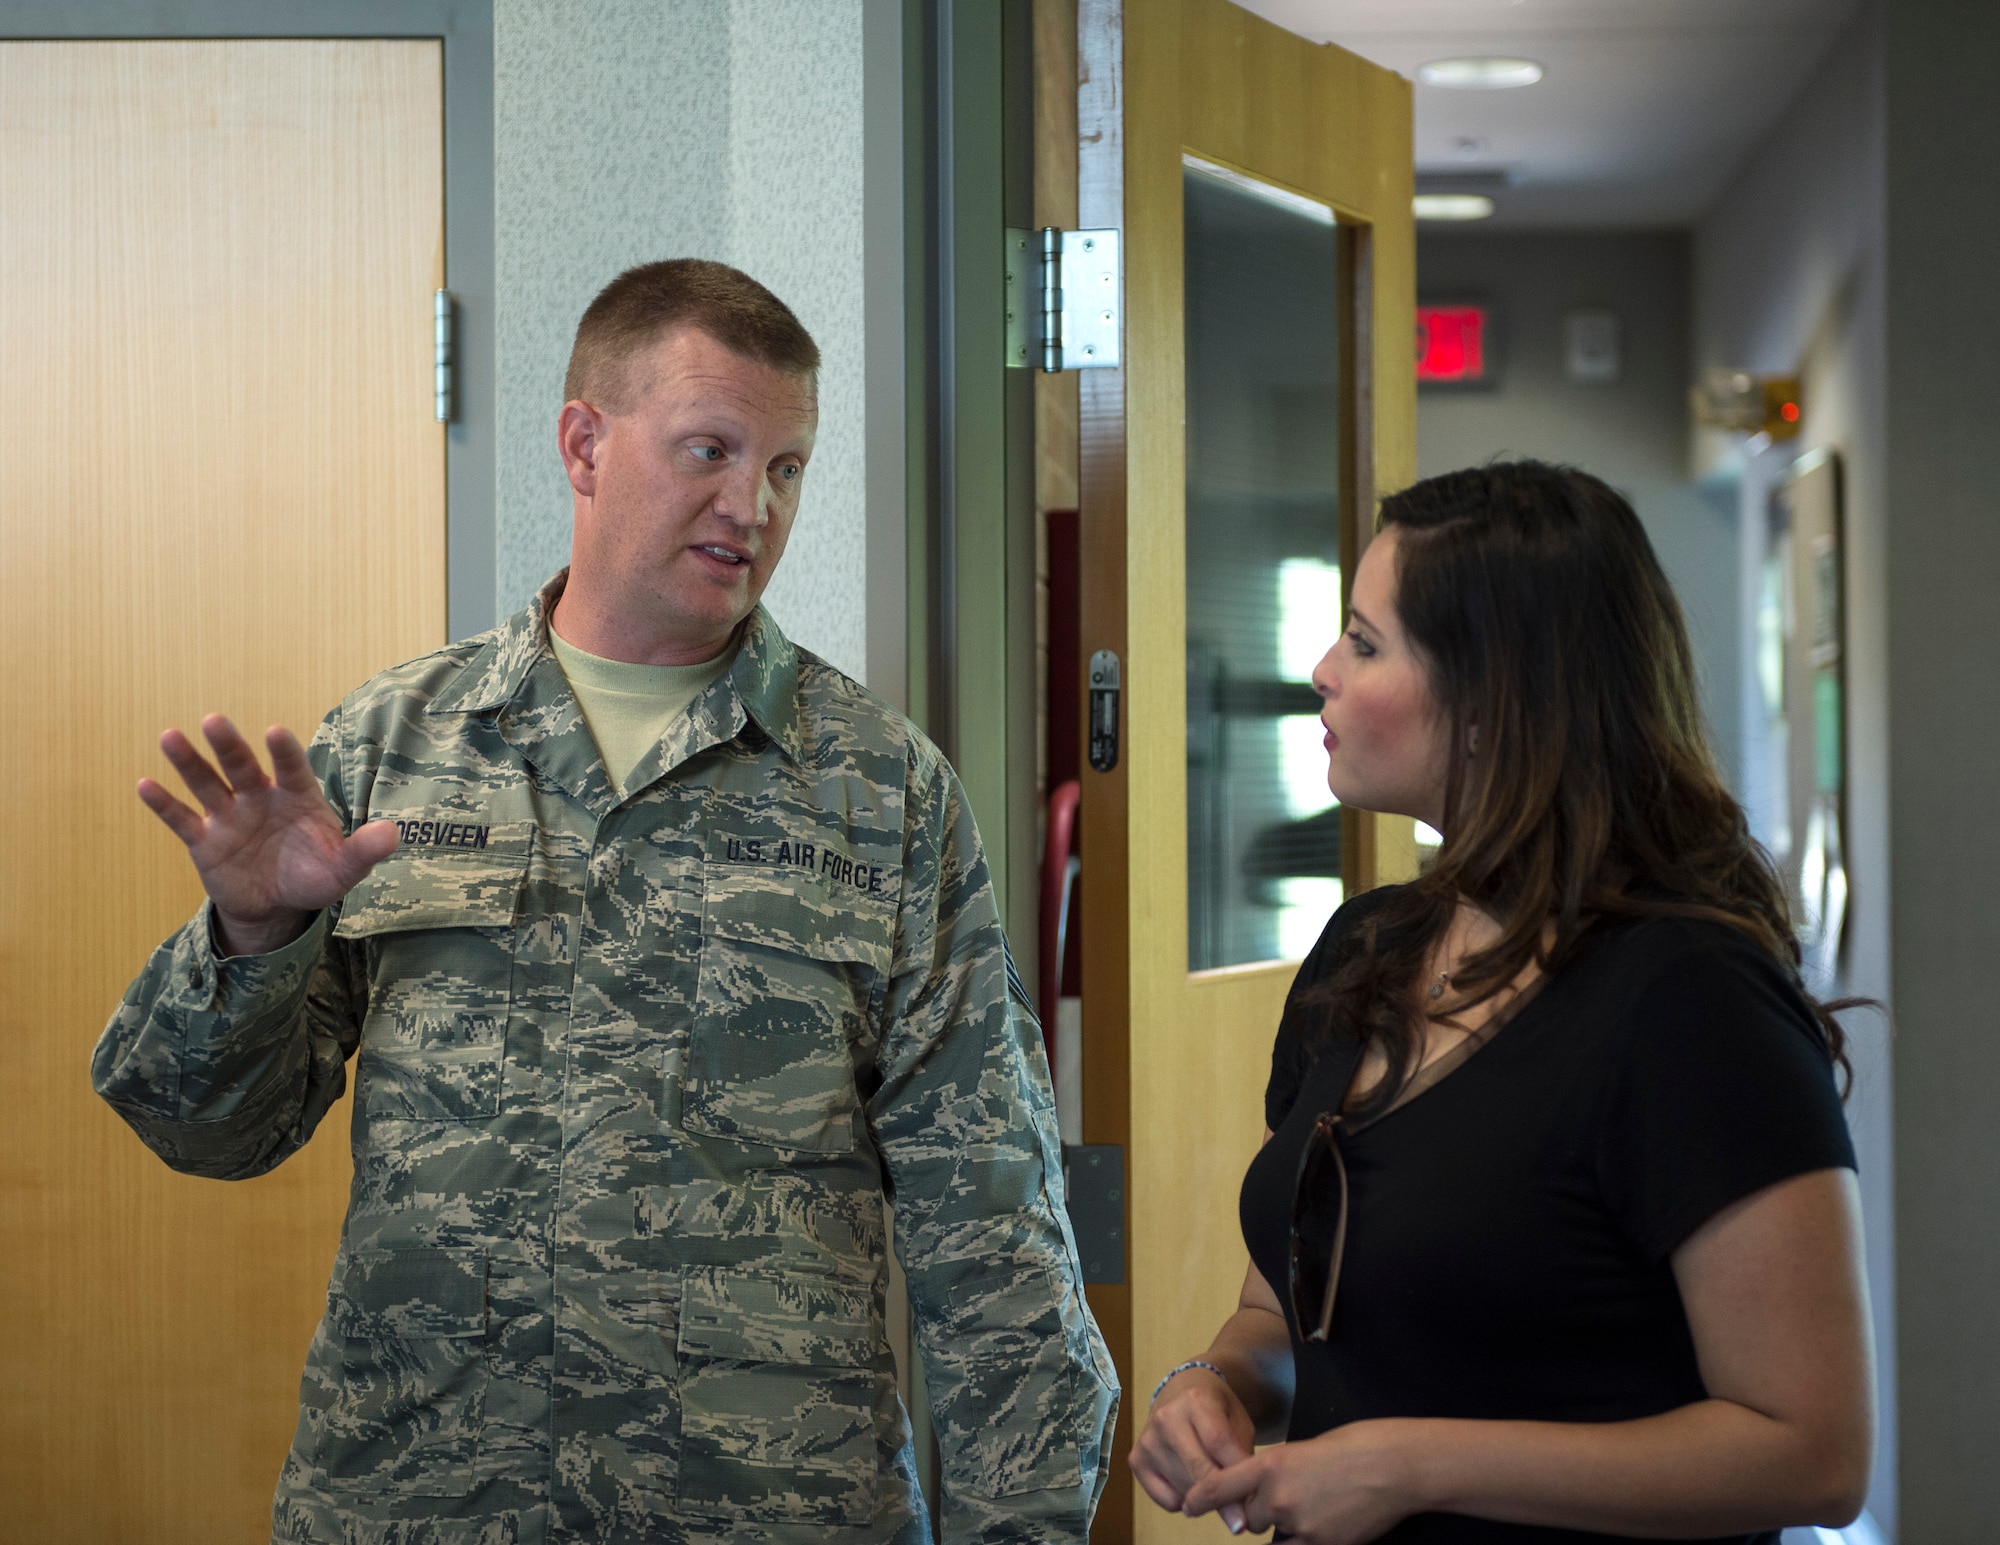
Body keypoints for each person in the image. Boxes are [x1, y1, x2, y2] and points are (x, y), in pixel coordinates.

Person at [94, 258, 1117, 1544]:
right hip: (424, 1503)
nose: (749, 504)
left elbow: (995, 1232)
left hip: (770, 1511)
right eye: (709, 449)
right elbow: (208, 1133)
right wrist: (257, 936)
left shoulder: (880, 793)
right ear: (585, 443)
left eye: (786, 468)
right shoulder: (396, 746)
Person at [1130, 461, 1874, 1544]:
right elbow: (1279, 1314)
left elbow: (1810, 1454)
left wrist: (1410, 1464)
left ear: (1491, 702)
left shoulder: (1687, 1001)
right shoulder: (1362, 949)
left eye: (1365, 643)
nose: (1320, 671)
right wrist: (1216, 1386)